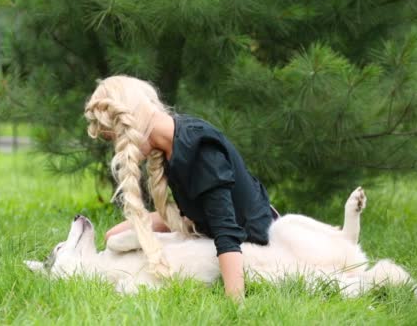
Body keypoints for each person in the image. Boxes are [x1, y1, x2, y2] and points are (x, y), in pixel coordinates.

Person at [84, 75, 277, 301]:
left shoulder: (199, 149)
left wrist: (236, 306)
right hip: (205, 226)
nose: (117, 148)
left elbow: (226, 230)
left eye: (113, 139)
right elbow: (192, 211)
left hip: (252, 241)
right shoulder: (170, 145)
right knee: (114, 236)